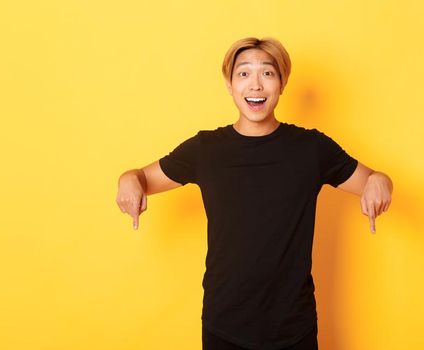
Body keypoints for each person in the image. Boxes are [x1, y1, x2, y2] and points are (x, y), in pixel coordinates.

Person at [115, 37, 393, 350]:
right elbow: (141, 177)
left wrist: (380, 181)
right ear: (229, 85)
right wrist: (129, 179)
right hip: (225, 325)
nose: (256, 85)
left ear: (282, 83)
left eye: (268, 74)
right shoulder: (206, 150)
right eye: (244, 74)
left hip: (294, 327)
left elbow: (372, 179)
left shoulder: (311, 148)